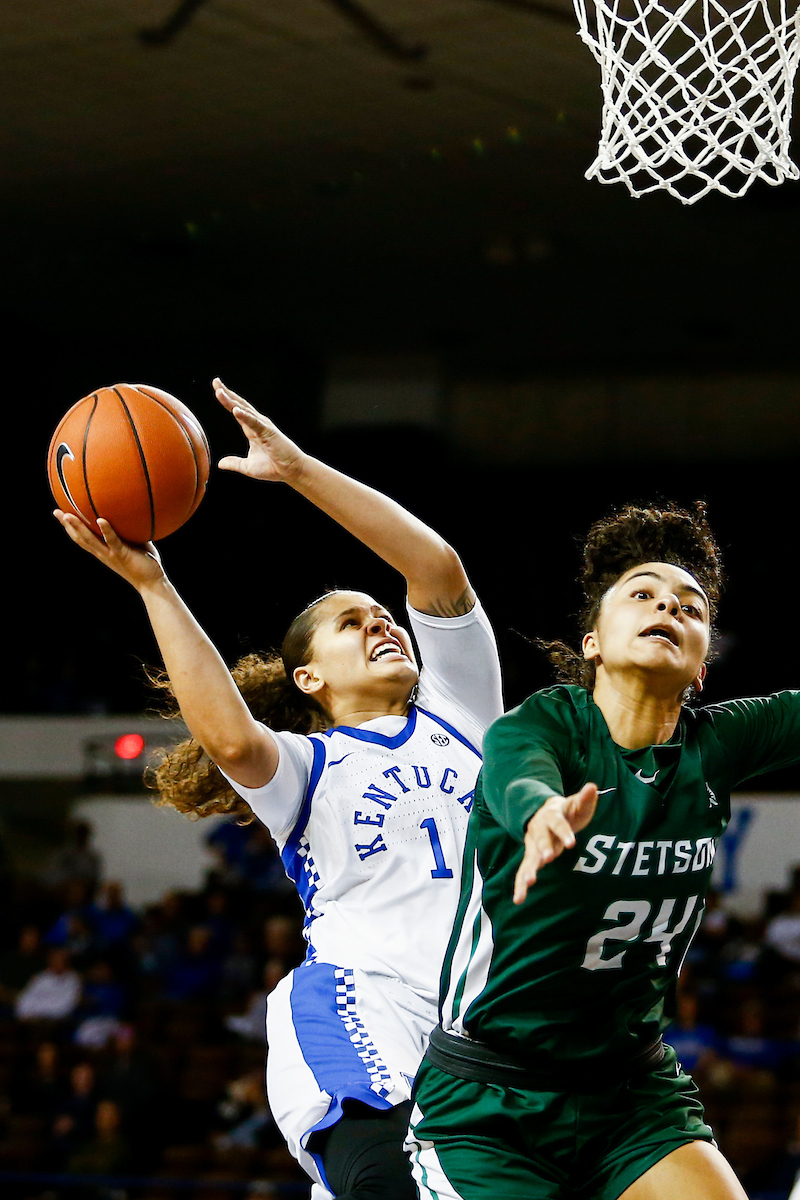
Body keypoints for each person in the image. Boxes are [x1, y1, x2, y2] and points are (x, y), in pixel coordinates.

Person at [54, 377, 503, 1200]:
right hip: (364, 1001)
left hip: (486, 1023)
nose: (383, 623)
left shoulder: (462, 711)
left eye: (383, 613)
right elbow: (228, 735)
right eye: (351, 621)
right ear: (308, 677)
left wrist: (299, 471)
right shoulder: (308, 767)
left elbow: (435, 567)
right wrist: (154, 585)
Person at [407, 501, 800, 1200]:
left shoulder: (716, 745)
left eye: (691, 608)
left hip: (631, 1091)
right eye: (643, 595)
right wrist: (541, 815)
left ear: (703, 666)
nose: (670, 609)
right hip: (491, 1101)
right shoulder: (545, 725)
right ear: (592, 642)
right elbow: (516, 775)